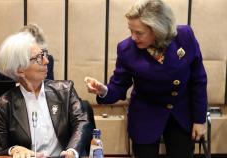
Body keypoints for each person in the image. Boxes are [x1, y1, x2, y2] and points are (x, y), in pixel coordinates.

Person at [84, 0, 207, 158]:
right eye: (131, 31)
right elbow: (118, 86)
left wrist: (199, 119)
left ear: (157, 29)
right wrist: (103, 90)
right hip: (146, 115)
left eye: (139, 33)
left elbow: (198, 80)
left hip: (181, 113)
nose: (133, 37)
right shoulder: (126, 49)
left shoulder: (184, 36)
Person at [0, 31, 92, 158]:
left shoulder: (65, 90)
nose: (46, 61)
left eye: (44, 54)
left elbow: (82, 122)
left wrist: (72, 151)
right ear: (20, 70)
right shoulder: (4, 104)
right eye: (38, 58)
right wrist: (13, 149)